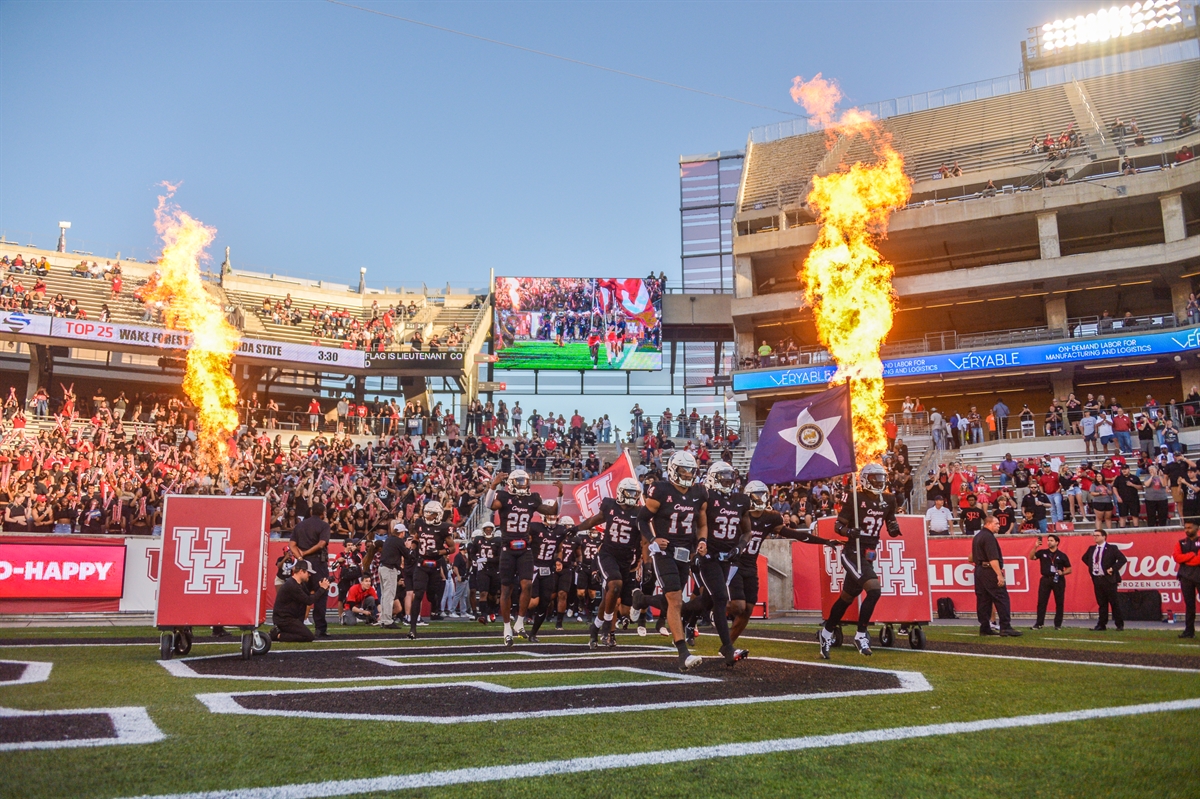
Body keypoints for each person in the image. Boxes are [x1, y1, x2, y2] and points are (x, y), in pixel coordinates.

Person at [634, 450, 707, 672]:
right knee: (675, 600)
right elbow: (642, 519)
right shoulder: (661, 489)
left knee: (670, 601)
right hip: (664, 551)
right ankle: (683, 653)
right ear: (673, 470)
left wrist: (702, 540)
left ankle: (641, 599)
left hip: (685, 552)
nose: (687, 474)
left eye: (690, 470)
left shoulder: (699, 492)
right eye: (683, 470)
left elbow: (702, 524)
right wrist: (654, 539)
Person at [819, 464, 902, 658]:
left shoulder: (888, 498)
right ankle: (861, 633)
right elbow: (838, 525)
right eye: (874, 478)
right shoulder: (855, 497)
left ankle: (827, 631)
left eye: (881, 478)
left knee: (847, 597)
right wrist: (849, 531)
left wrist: (894, 528)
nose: (879, 482)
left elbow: (890, 520)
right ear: (865, 479)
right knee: (874, 589)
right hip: (852, 551)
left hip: (869, 552)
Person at [487, 469, 563, 646]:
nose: (524, 484)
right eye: (520, 481)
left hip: (524, 548)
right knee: (506, 589)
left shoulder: (532, 499)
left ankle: (519, 622)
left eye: (525, 481)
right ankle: (507, 628)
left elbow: (553, 510)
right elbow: (489, 505)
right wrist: (492, 485)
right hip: (507, 547)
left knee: (527, 584)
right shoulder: (504, 497)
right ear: (512, 482)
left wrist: (560, 494)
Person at [576, 477, 645, 650]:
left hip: (628, 561)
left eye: (635, 493)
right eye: (629, 492)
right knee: (614, 586)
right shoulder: (610, 505)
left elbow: (645, 540)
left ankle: (595, 628)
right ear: (621, 492)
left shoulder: (640, 512)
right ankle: (608, 629)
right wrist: (577, 528)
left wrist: (645, 563)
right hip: (608, 555)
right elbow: (594, 520)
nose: (632, 496)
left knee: (617, 603)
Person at [406, 501, 451, 639]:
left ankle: (435, 607)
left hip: (435, 565)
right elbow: (417, 537)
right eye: (427, 512)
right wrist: (413, 545)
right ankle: (412, 629)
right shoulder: (420, 523)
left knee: (432, 596)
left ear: (438, 515)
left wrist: (439, 551)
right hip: (422, 564)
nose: (428, 516)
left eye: (431, 513)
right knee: (418, 595)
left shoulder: (443, 528)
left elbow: (452, 548)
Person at [972, 514, 1021, 637]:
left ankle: (984, 627)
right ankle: (1005, 626)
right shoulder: (989, 537)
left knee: (983, 600)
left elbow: (971, 557)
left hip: (979, 570)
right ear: (988, 524)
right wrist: (999, 575)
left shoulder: (977, 536)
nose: (999, 526)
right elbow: (993, 558)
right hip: (989, 570)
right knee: (1001, 597)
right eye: (996, 523)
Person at [289, 502, 332, 638]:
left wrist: (300, 557)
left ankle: (298, 625)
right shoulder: (324, 525)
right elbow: (321, 543)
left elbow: (292, 545)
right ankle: (320, 628)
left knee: (301, 594)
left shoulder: (300, 525)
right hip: (318, 562)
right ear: (323, 513)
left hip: (303, 564)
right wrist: (306, 553)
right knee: (321, 592)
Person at [269, 559, 329, 642]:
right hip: (284, 619)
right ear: (301, 571)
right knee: (308, 637)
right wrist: (322, 589)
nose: (310, 575)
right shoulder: (293, 585)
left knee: (305, 635)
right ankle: (277, 635)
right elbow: (308, 600)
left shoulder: (298, 584)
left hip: (288, 618)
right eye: (308, 572)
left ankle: (281, 632)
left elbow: (309, 596)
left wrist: (321, 588)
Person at [1082, 529, 1128, 631]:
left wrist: (1113, 568)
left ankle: (1119, 624)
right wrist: (1094, 568)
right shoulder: (1091, 549)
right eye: (1094, 535)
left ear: (1104, 537)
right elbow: (1085, 558)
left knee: (1114, 602)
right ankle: (1101, 624)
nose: (1095, 537)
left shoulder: (1111, 548)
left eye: (1097, 535)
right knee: (1101, 603)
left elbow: (1122, 559)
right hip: (1097, 579)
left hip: (1109, 579)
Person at [1028, 534, 1071, 630]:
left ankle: (1058, 624)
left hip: (1058, 579)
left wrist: (1062, 572)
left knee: (1059, 602)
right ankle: (1039, 623)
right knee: (1042, 601)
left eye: (1051, 540)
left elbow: (1069, 569)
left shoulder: (1062, 555)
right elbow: (1031, 557)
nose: (1049, 542)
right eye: (1048, 540)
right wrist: (1035, 546)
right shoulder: (1043, 552)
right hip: (1045, 579)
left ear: (1057, 542)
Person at [1173, 521, 1200, 639]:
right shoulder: (1181, 542)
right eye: (1185, 528)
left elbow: (1198, 560)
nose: (1187, 530)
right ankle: (1189, 631)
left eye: (1189, 528)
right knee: (1189, 605)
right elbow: (1176, 557)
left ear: (1197, 528)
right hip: (1185, 577)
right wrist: (1191, 555)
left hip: (1198, 575)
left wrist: (1186, 560)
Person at [377, 521, 406, 629]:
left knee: (385, 595)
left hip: (383, 567)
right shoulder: (398, 541)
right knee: (389, 596)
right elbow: (406, 554)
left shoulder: (388, 539)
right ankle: (388, 621)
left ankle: (384, 620)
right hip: (389, 569)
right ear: (402, 533)